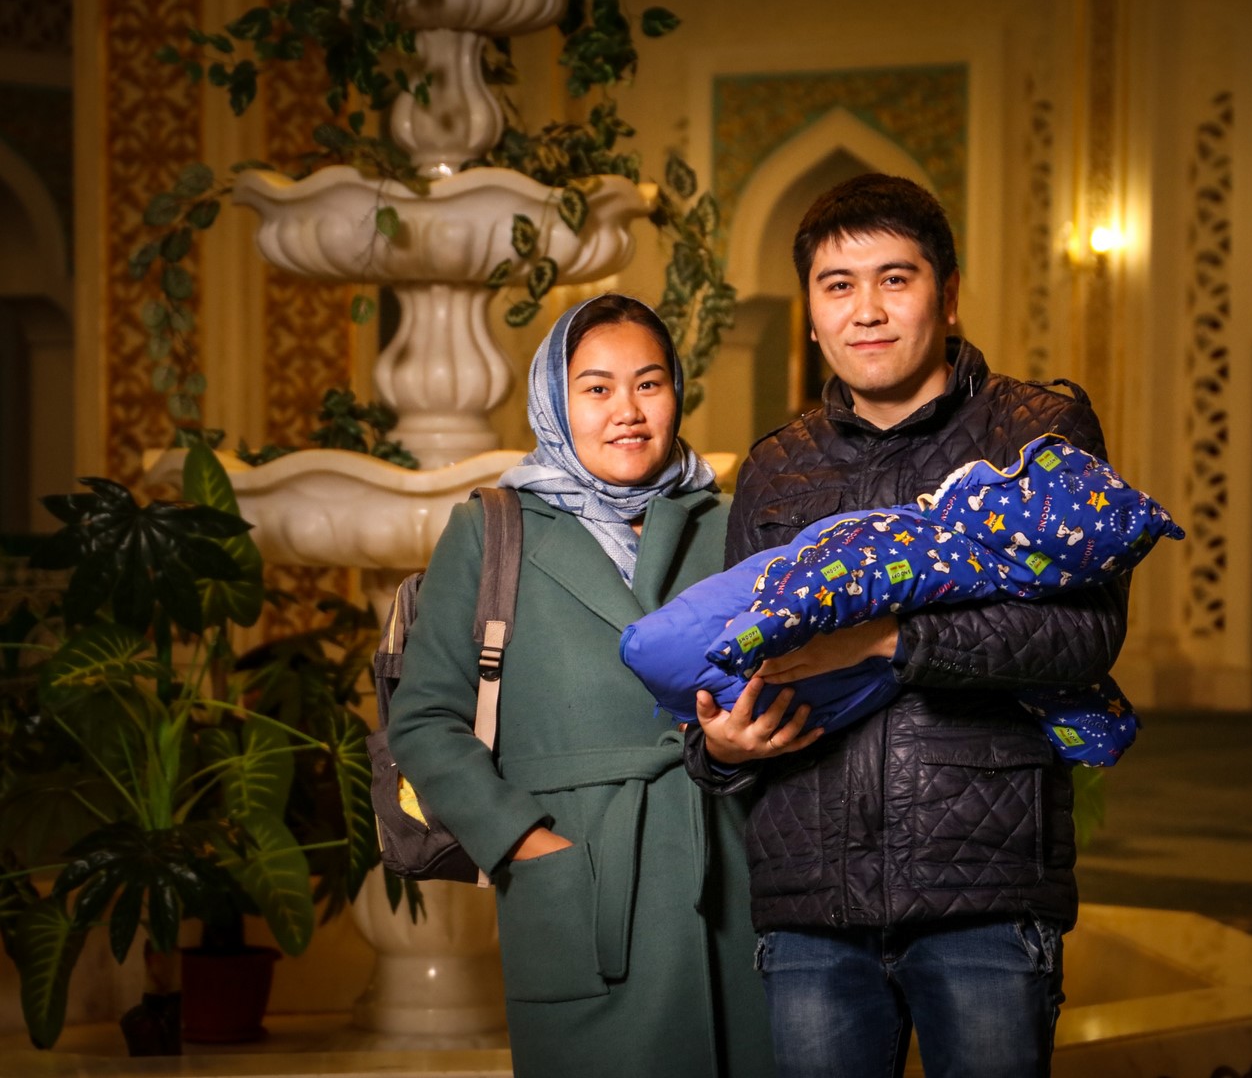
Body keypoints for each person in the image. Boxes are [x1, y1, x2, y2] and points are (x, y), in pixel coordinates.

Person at [683, 174, 1130, 1077]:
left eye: (896, 278)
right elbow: (730, 669)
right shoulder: (776, 468)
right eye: (838, 285)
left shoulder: (1036, 435)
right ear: (812, 315)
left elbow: (1084, 639)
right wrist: (720, 750)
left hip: (984, 889)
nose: (867, 310)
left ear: (948, 295)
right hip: (810, 901)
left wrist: (891, 640)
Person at [387, 294, 779, 1078]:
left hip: (730, 876)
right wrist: (525, 843)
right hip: (580, 882)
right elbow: (425, 719)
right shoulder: (493, 527)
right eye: (597, 388)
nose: (627, 410)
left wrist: (738, 746)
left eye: (649, 383)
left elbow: (789, 678)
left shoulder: (734, 523)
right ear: (553, 402)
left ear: (677, 393)